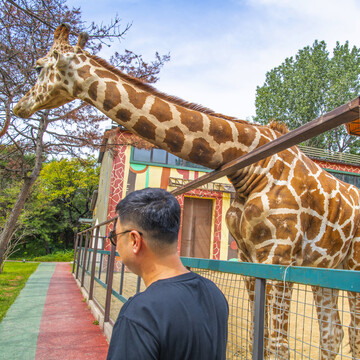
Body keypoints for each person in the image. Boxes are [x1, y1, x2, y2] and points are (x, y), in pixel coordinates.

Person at [106, 188, 229, 360]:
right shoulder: (214, 293)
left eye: (114, 236)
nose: (115, 244)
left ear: (134, 240)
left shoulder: (139, 314)